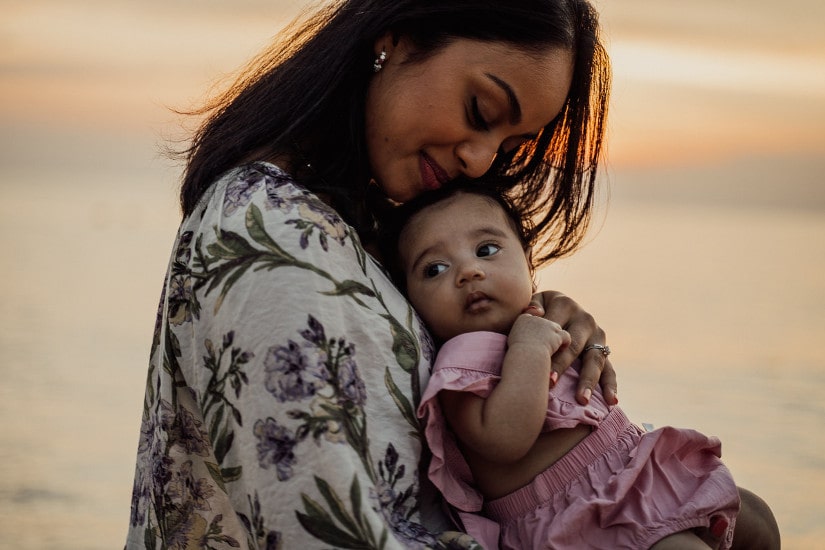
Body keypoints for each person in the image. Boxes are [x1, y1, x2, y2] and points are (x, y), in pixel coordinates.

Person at [127, 0, 645, 547]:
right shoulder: (268, 229)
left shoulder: (357, 229)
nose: (481, 161)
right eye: (481, 111)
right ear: (393, 41)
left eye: (510, 145)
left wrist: (533, 329)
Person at [381, 183, 780, 549]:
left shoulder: (545, 318)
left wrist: (536, 333)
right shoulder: (461, 359)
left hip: (634, 472)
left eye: (486, 250)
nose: (469, 272)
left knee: (757, 519)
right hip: (575, 514)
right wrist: (529, 349)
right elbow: (502, 440)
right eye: (435, 269)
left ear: (529, 262)